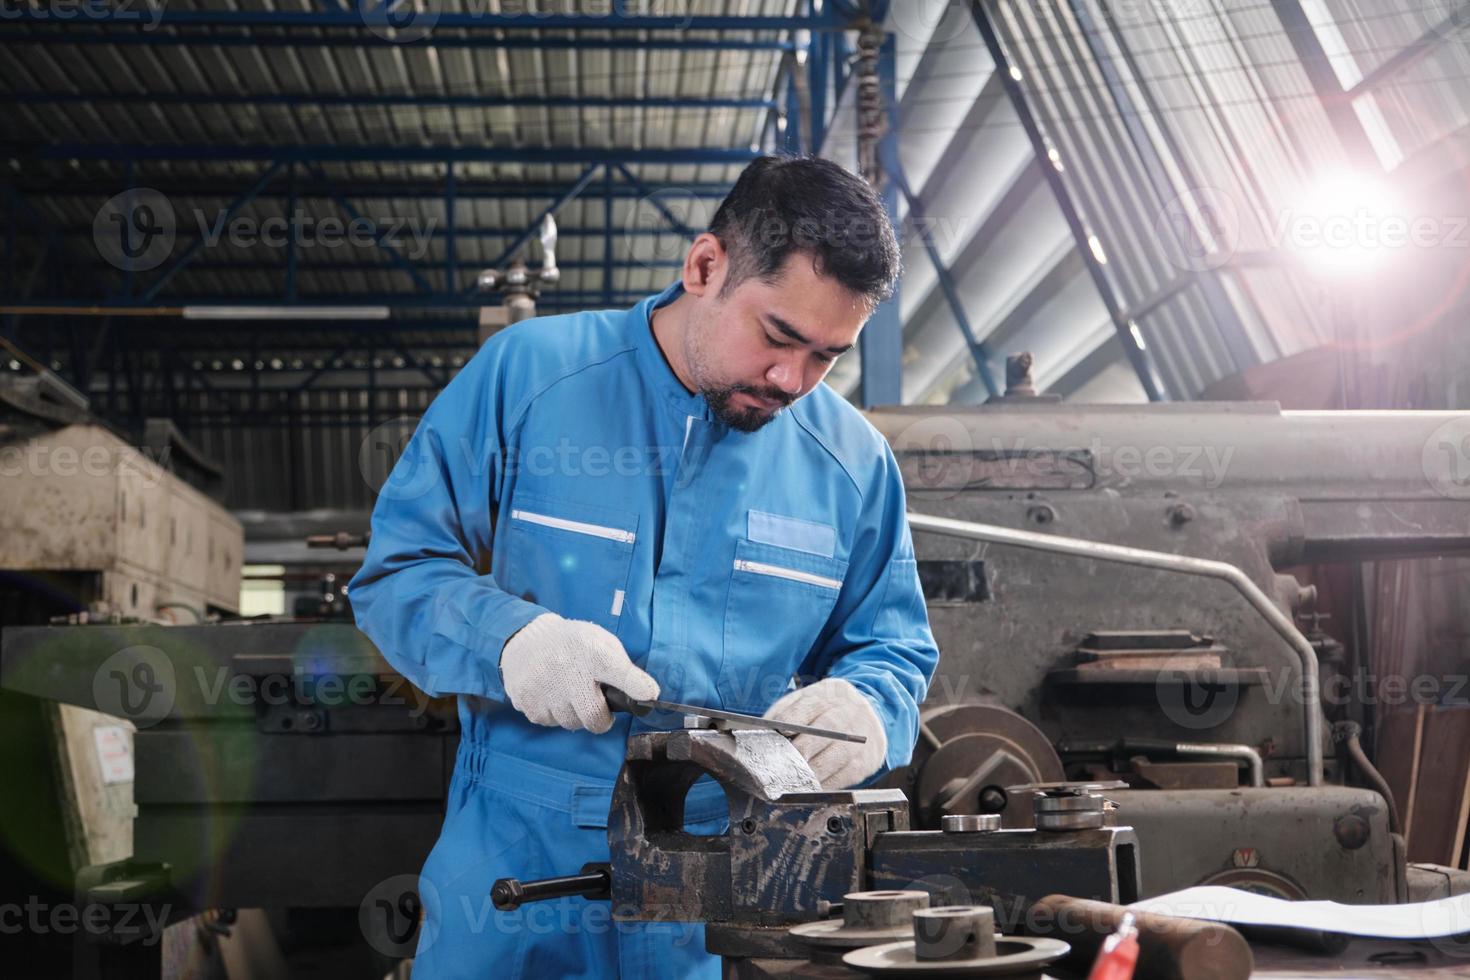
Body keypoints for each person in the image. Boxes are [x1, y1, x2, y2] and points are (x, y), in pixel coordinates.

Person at [348, 155, 939, 979]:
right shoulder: (528, 378)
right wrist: (510, 641)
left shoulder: (853, 466)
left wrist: (871, 707)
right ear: (704, 267)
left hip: (719, 898)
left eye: (826, 357)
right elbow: (399, 571)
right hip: (517, 876)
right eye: (777, 336)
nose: (791, 381)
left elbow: (895, 650)